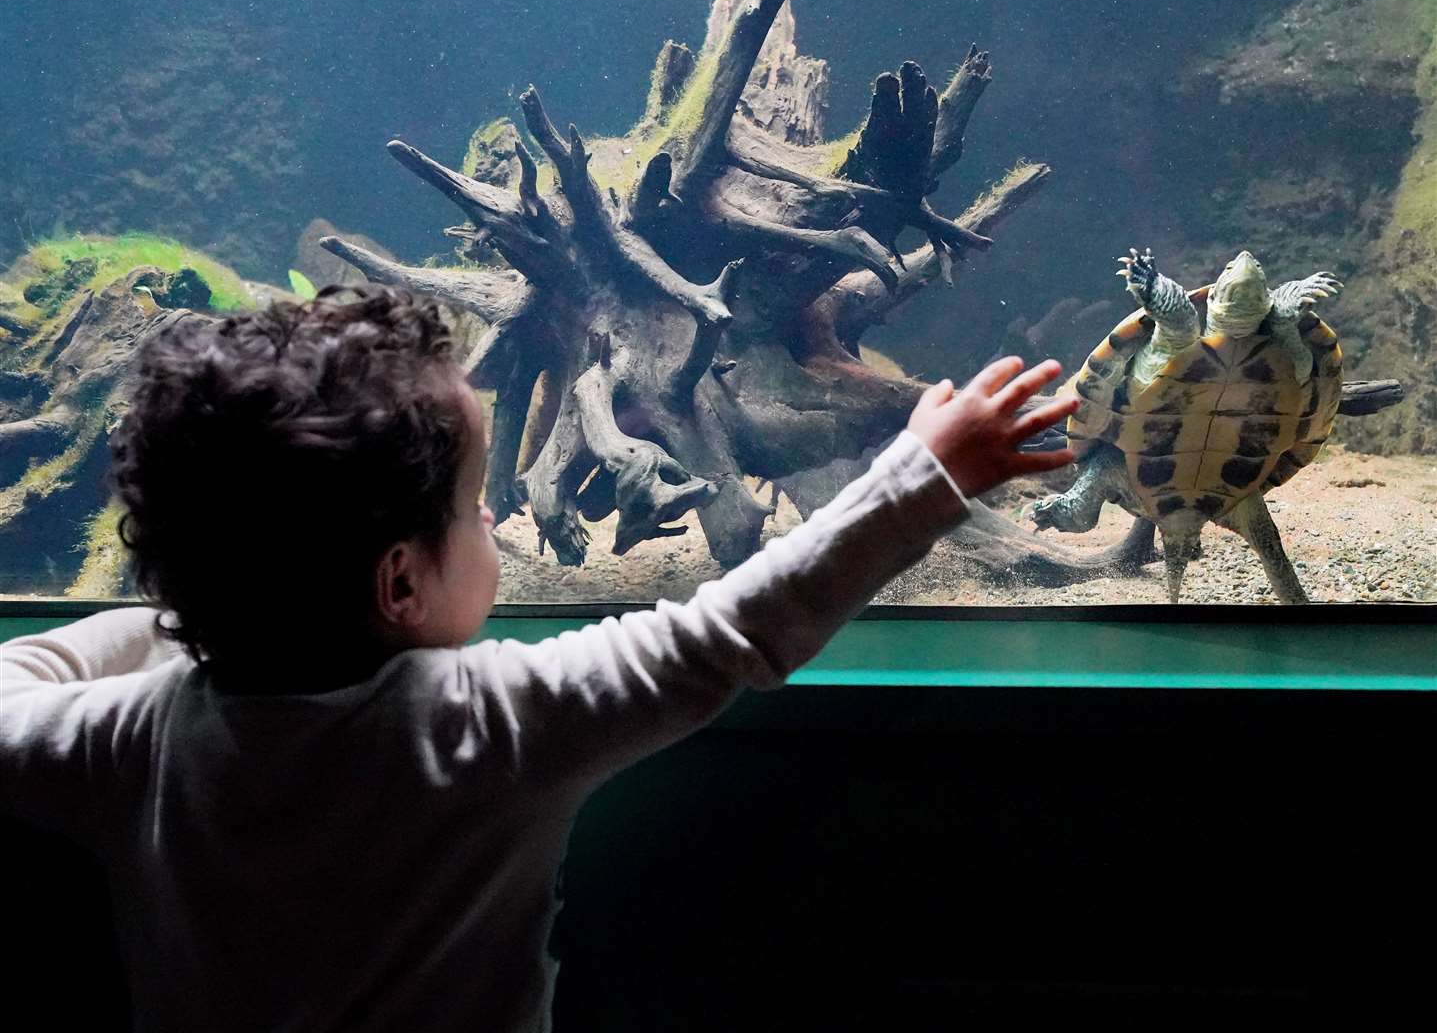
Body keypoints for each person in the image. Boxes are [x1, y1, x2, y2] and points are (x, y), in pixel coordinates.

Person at [0, 286, 1077, 1031]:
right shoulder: (484, 720)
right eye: (477, 509)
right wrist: (925, 476)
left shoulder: (125, 739)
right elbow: (728, 633)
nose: (492, 529)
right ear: (399, 584)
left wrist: (187, 611)